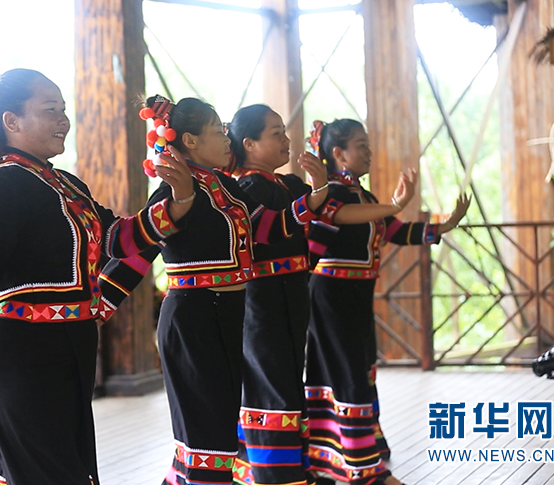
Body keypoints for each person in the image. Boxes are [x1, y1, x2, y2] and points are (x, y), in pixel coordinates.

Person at [0, 69, 196, 485]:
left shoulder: (67, 184)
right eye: (50, 110)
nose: (63, 120)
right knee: (49, 473)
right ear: (11, 121)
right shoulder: (3, 184)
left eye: (63, 110)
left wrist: (179, 202)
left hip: (69, 346)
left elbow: (117, 238)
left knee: (54, 468)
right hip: (23, 352)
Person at [98, 95, 330, 485]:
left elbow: (269, 227)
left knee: (218, 433)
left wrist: (317, 194)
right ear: (190, 141)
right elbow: (136, 254)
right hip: (192, 319)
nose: (227, 138)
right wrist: (96, 309)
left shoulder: (226, 187)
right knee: (205, 439)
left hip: (227, 315)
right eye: (217, 131)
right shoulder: (175, 191)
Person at [226, 105, 418, 485]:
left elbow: (335, 213)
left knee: (290, 389)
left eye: (285, 132)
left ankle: (301, 470)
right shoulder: (244, 189)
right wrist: (315, 194)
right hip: (263, 303)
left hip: (292, 299)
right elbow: (271, 227)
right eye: (276, 133)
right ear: (249, 144)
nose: (286, 139)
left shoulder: (289, 184)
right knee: (273, 391)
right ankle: (272, 476)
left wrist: (394, 206)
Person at [304, 119, 469, 485]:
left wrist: (444, 225)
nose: (369, 152)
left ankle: (336, 455)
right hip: (331, 297)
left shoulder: (362, 197)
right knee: (346, 375)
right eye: (361, 145)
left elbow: (394, 231)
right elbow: (316, 240)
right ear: (338, 153)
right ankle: (362, 468)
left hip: (355, 297)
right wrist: (394, 204)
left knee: (358, 369)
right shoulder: (330, 196)